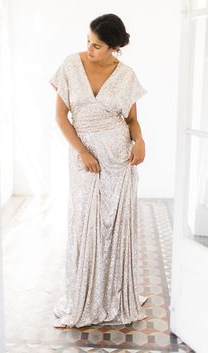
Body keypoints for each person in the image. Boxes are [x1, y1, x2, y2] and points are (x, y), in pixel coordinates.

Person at [48, 13, 148, 328]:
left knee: (114, 226)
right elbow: (61, 117)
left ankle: (113, 297)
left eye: (97, 46)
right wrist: (83, 152)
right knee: (85, 224)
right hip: (85, 158)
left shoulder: (127, 75)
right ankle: (84, 297)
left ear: (114, 47)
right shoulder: (70, 65)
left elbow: (131, 120)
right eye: (88, 43)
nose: (90, 50)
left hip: (119, 157)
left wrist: (141, 141)